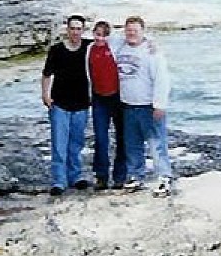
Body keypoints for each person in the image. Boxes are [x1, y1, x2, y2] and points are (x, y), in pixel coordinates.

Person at [116, 15, 173, 197]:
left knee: (157, 144)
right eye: (129, 30)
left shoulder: (152, 53)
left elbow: (162, 80)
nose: (131, 33)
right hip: (128, 106)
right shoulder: (120, 47)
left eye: (135, 30)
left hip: (149, 107)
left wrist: (160, 105)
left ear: (143, 32)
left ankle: (164, 178)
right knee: (132, 145)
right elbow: (103, 38)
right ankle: (135, 176)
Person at [41, 15, 91, 195]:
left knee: (76, 144)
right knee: (59, 144)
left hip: (82, 104)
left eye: (79, 29)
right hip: (60, 104)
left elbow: (112, 43)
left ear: (83, 30)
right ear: (67, 30)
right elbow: (46, 74)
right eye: (72, 28)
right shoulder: (56, 50)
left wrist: (148, 43)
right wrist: (45, 95)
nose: (75, 32)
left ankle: (75, 176)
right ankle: (59, 181)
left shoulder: (89, 47)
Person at [86, 20, 127, 190]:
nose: (100, 38)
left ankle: (120, 176)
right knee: (101, 139)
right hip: (99, 99)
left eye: (103, 35)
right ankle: (101, 176)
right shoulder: (89, 49)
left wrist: (151, 43)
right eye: (97, 34)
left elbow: (135, 37)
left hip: (117, 98)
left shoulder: (116, 46)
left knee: (122, 138)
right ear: (93, 33)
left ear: (109, 36)